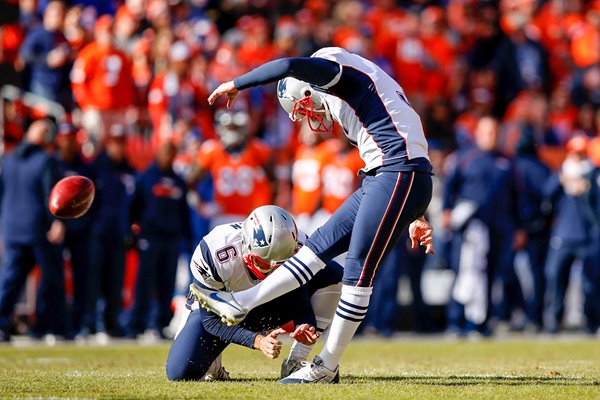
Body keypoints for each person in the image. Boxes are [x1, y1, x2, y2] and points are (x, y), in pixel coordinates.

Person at [193, 47, 435, 384]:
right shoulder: (372, 82)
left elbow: (289, 64)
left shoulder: (340, 72)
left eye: (303, 105)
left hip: (396, 174)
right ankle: (241, 301)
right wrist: (414, 212)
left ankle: (326, 366)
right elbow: (407, 137)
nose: (309, 114)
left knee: (357, 271)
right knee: (314, 249)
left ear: (309, 86)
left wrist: (238, 83)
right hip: (389, 176)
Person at [166, 206, 343, 381]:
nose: (272, 271)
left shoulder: (298, 244)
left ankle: (296, 362)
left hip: (267, 305)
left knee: (333, 275)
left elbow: (297, 290)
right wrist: (257, 340)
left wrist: (305, 323)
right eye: (265, 263)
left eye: (281, 265)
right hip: (219, 311)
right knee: (180, 372)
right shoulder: (215, 252)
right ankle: (213, 362)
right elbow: (210, 320)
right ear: (247, 248)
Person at [0, 119, 66, 341]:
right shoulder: (46, 160)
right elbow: (53, 197)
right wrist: (57, 222)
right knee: (50, 279)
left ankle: (1, 323)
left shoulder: (8, 160)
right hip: (38, 228)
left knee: (11, 280)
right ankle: (45, 328)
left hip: (12, 228)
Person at [127, 142, 191, 339]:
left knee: (167, 283)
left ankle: (161, 323)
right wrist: (133, 234)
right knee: (145, 283)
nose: (168, 157)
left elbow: (184, 213)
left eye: (171, 154)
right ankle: (137, 324)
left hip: (171, 239)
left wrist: (187, 238)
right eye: (165, 153)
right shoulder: (145, 178)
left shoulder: (179, 182)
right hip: (150, 238)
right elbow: (132, 208)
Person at [54, 123, 95, 337]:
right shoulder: (51, 164)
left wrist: (85, 223)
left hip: (80, 230)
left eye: (71, 137)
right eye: (64, 137)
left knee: (82, 280)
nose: (68, 141)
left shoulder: (85, 167)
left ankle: (79, 325)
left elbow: (94, 200)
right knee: (54, 279)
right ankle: (55, 325)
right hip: (57, 230)